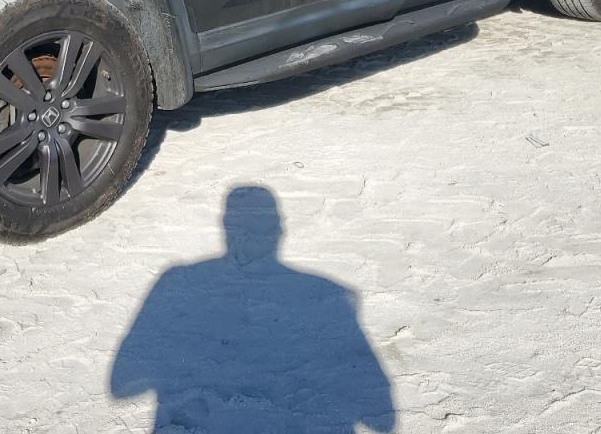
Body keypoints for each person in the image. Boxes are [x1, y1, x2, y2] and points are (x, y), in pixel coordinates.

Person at [111, 185, 394, 433]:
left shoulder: (176, 278)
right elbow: (382, 419)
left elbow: (122, 385)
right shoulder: (332, 293)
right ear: (280, 230)